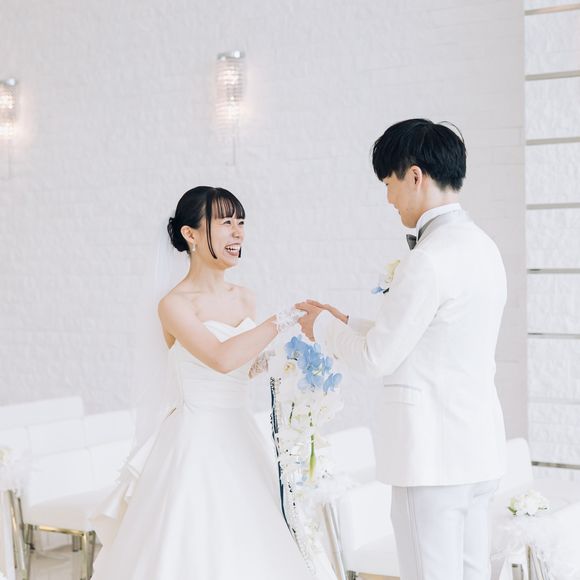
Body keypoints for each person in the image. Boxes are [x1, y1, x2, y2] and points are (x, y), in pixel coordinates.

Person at [297, 119, 507, 580]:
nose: (389, 199)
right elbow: (431, 336)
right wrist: (345, 321)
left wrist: (323, 328)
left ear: (415, 176)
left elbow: (377, 357)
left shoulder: (427, 259)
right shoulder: (484, 247)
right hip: (476, 450)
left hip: (430, 456)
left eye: (388, 184)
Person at [90, 186, 317, 579]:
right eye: (226, 222)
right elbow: (220, 357)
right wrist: (282, 319)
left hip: (240, 433)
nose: (238, 232)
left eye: (241, 222)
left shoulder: (245, 298)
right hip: (195, 438)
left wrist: (284, 361)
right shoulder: (174, 304)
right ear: (190, 234)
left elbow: (242, 366)